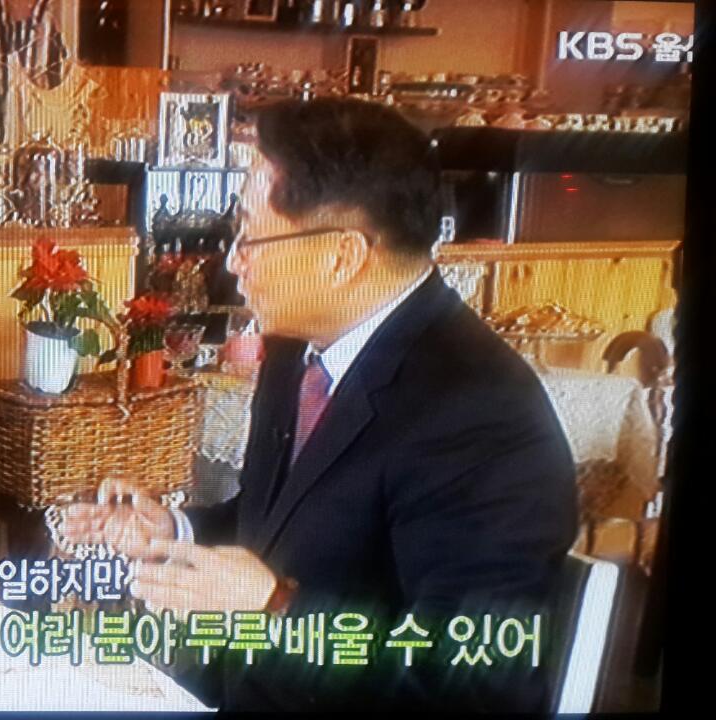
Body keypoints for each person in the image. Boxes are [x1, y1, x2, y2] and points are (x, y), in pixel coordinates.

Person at [62, 98, 578, 711]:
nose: (234, 261)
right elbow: (287, 522)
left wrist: (275, 608)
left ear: (342, 257)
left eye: (250, 234)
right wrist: (177, 530)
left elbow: (477, 684)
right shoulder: (299, 350)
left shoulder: (480, 418)